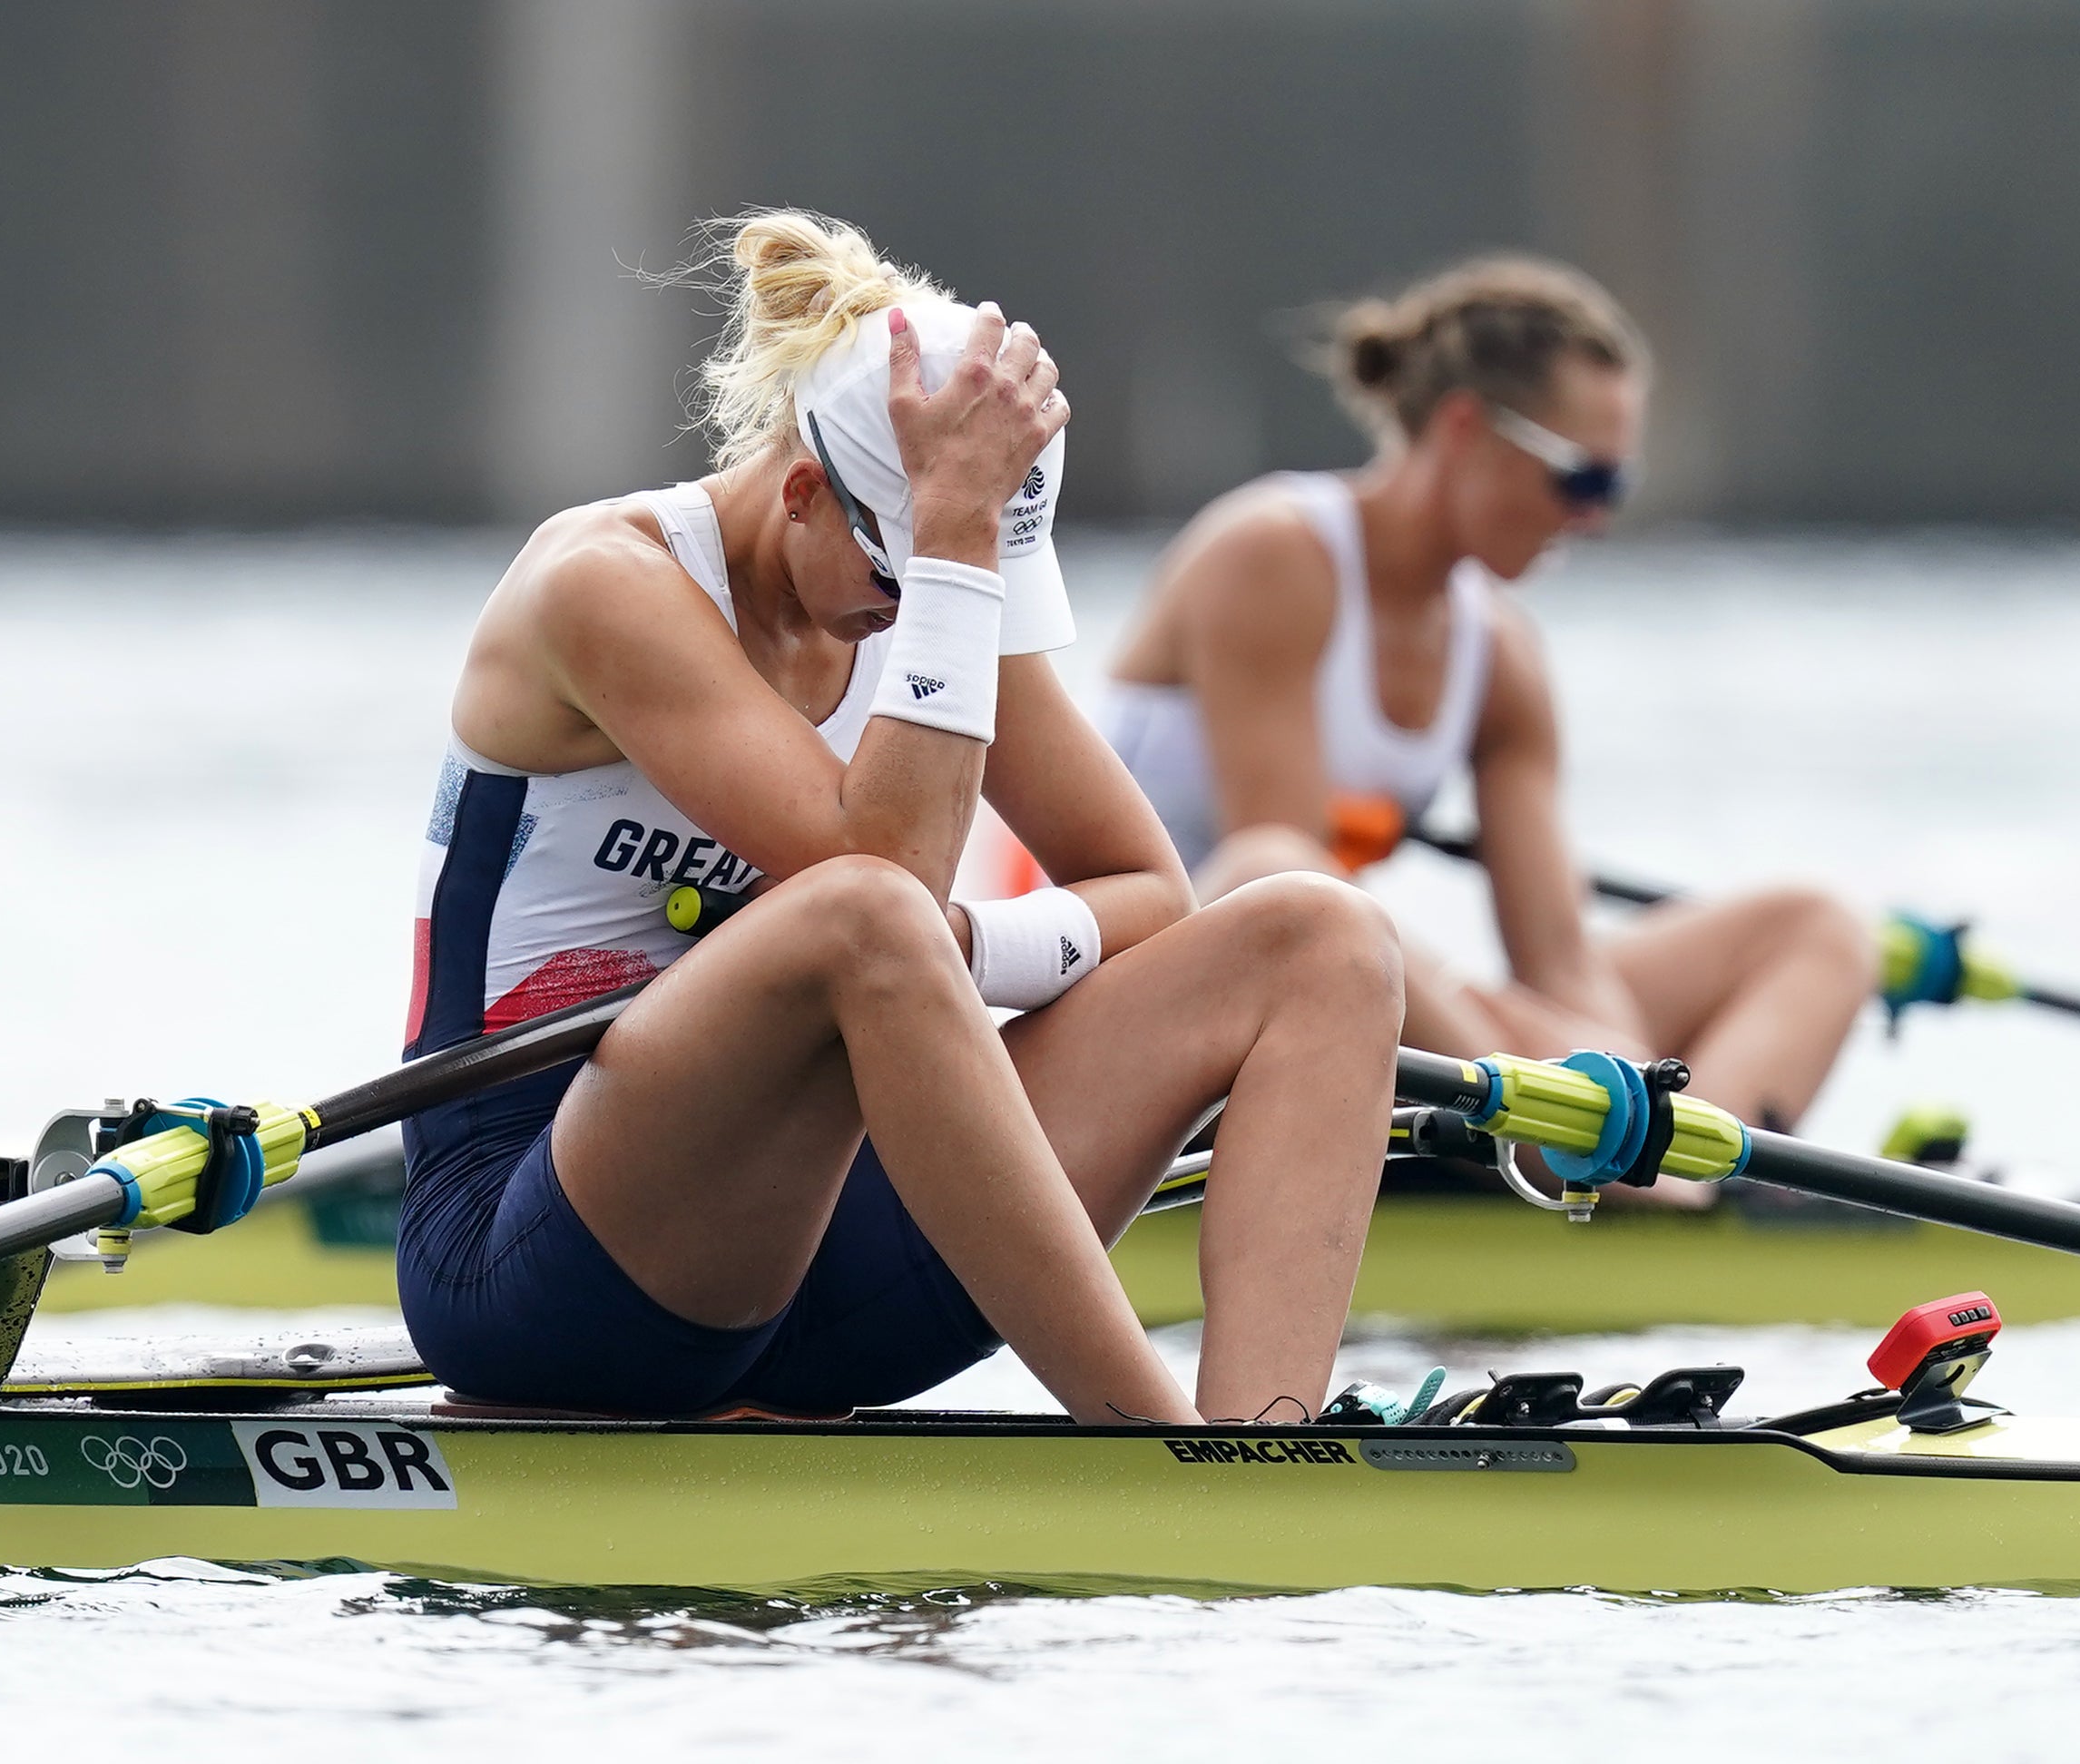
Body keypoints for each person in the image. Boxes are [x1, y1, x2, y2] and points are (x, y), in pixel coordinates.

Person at [397, 211, 1405, 1428]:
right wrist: (950, 576)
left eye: (972, 573)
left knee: (1319, 940)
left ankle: (1273, 1443)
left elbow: (1147, 889)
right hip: (542, 1261)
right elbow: (882, 882)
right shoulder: (605, 588)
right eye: (919, 574)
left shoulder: (917, 592)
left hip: (827, 1262)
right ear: (806, 492)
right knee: (864, 910)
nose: (929, 609)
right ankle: (1162, 1453)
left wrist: (961, 953)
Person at [1100, 255, 1871, 1156]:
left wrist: (1610, 1058)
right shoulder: (1269, 556)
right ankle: (1595, 1154)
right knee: (1279, 871)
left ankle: (1685, 1172)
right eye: (1581, 479)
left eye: (1613, 487)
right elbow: (1284, 897)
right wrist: (1544, 1054)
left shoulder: (1500, 657)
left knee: (1814, 927)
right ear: (1466, 430)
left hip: (1346, 1000)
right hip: (1143, 1002)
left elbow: (1558, 959)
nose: (1593, 518)